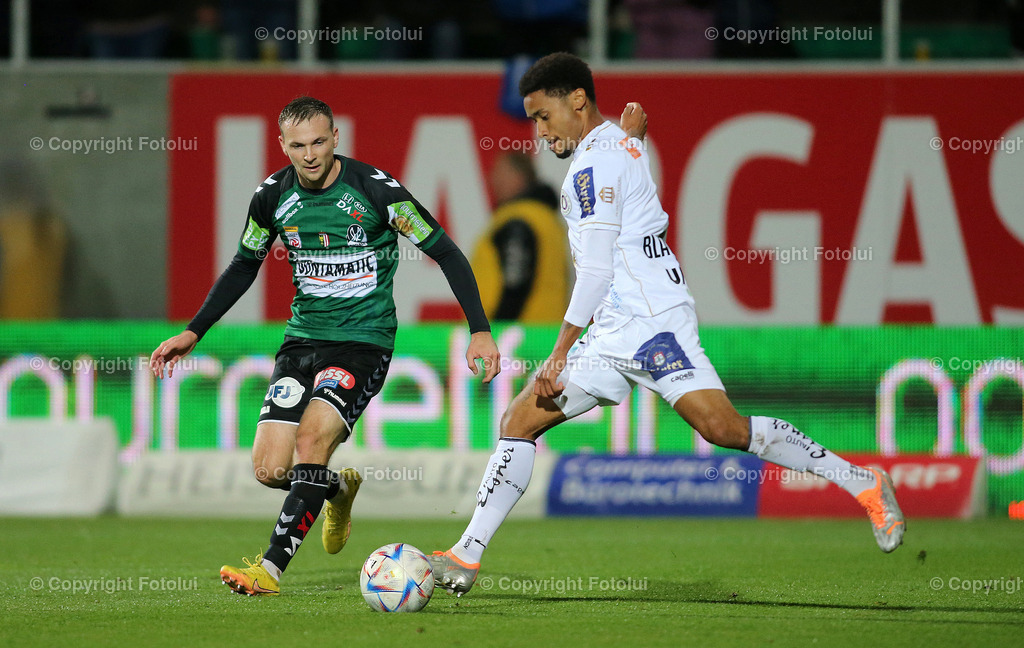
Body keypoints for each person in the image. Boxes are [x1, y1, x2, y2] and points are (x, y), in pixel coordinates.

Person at [430, 52, 905, 596]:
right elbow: (627, 160)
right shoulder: (615, 146)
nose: (539, 131)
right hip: (615, 327)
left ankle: (864, 483)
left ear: (578, 100)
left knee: (723, 429)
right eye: (533, 120)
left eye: (543, 116)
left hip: (654, 324)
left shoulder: (593, 165)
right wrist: (634, 135)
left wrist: (560, 351)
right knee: (519, 420)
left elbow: (600, 269)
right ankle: (467, 554)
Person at [149, 96, 501, 596]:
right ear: (282, 146)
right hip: (302, 341)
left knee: (311, 442)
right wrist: (194, 330)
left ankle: (267, 572)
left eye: (318, 142)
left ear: (336, 137)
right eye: (298, 145)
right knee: (272, 469)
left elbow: (444, 250)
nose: (310, 154)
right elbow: (246, 262)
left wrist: (479, 329)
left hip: (363, 343)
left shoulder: (378, 193)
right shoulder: (271, 197)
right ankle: (337, 488)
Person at [471, 152, 568, 322]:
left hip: (518, 338)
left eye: (501, 174)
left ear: (519, 177)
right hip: (547, 332)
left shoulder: (520, 220)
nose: (493, 181)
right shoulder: (548, 220)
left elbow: (516, 282)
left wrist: (492, 331)